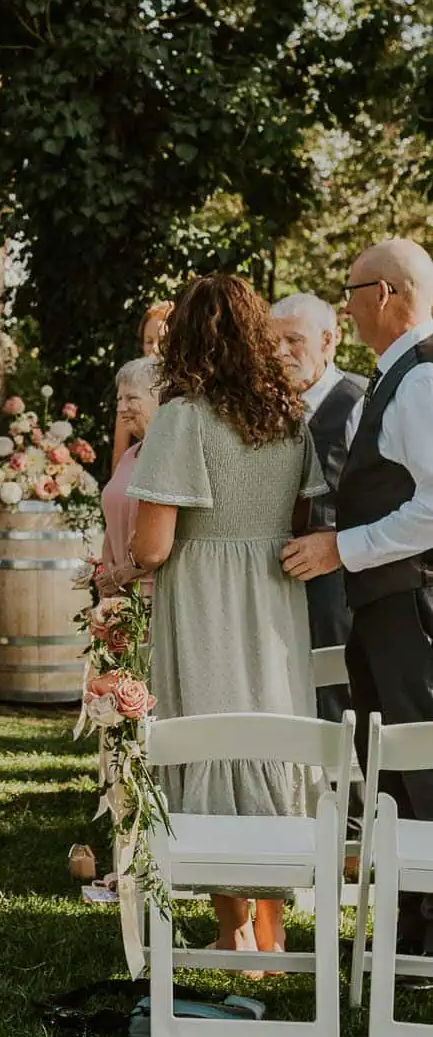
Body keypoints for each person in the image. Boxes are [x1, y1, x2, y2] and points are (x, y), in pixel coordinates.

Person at [129, 273, 326, 961]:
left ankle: (232, 926)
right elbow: (299, 518)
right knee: (270, 736)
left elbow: (152, 544)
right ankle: (270, 929)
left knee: (211, 733)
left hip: (205, 596)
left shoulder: (182, 417)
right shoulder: (289, 415)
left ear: (184, 338)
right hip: (272, 596)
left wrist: (129, 558)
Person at [282, 239, 433, 954]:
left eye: (348, 290)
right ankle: (407, 936)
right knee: (389, 775)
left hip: (413, 610)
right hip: (382, 607)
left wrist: (339, 546)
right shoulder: (394, 376)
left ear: (383, 294)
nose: (343, 303)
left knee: (421, 769)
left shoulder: (423, 379)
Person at [270, 293, 364, 722]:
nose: (280, 352)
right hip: (271, 579)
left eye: (293, 340)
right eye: (272, 342)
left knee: (336, 701)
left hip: (339, 587)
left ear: (329, 341)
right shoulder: (265, 409)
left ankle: (345, 789)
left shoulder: (361, 401)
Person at [98, 358, 160, 593]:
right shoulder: (129, 456)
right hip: (117, 591)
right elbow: (111, 521)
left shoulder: (168, 456)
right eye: (119, 400)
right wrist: (108, 575)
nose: (121, 408)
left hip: (154, 594)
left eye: (131, 398)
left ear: (159, 398)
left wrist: (124, 573)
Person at [112, 302, 173, 470]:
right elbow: (118, 461)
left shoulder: (188, 391)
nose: (154, 348)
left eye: (162, 340)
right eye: (148, 341)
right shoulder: (129, 389)